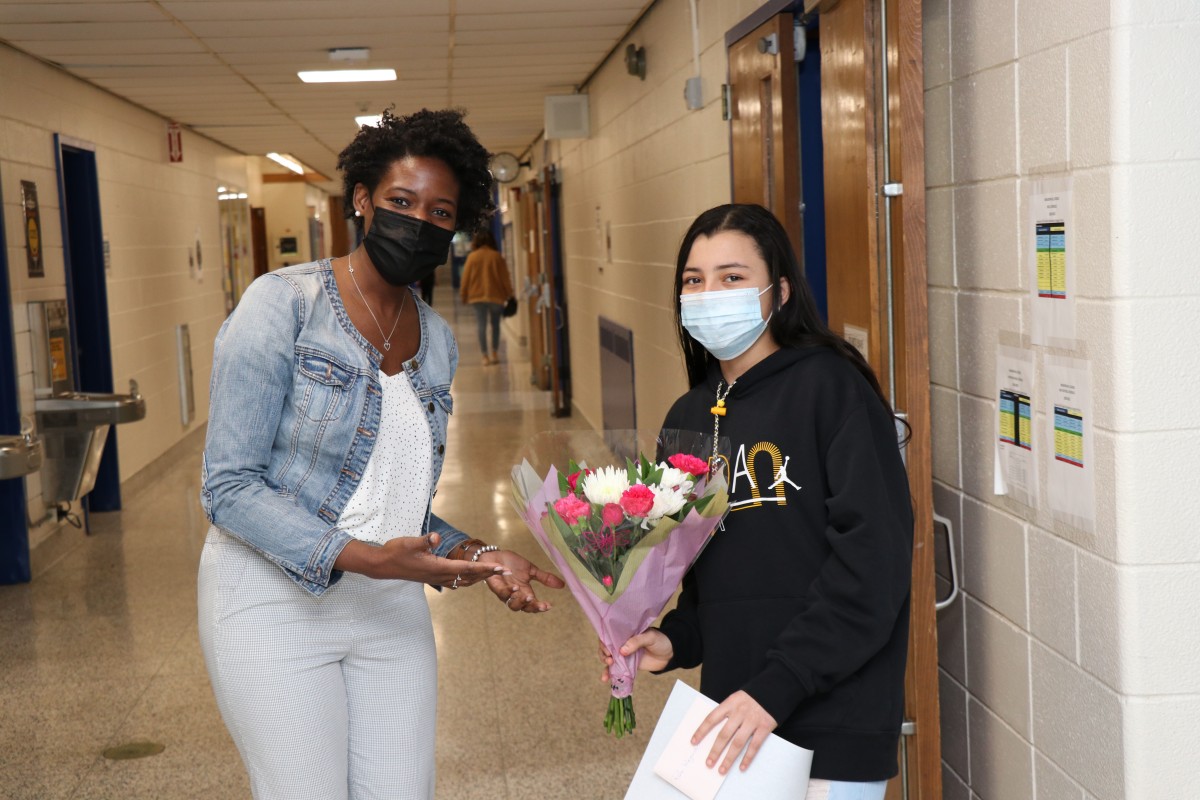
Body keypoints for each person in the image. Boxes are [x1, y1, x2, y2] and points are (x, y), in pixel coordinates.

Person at [198, 108, 564, 800]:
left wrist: (476, 554)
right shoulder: (282, 304)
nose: (418, 221)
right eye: (400, 202)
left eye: (439, 211)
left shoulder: (436, 340)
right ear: (362, 200)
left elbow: (395, 499)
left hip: (387, 608)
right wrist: (366, 558)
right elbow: (229, 488)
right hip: (270, 602)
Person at [602, 204, 913, 800]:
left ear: (781, 292)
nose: (709, 292)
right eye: (694, 280)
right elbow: (711, 576)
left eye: (732, 276)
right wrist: (677, 639)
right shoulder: (688, 418)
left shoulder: (833, 389)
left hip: (833, 712)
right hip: (736, 713)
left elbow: (873, 565)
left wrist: (782, 683)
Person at [458, 229, 514, 365]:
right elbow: (505, 278)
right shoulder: (496, 256)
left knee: (481, 325)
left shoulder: (473, 257)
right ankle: (495, 353)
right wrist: (510, 294)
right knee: (495, 325)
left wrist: (463, 295)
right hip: (496, 297)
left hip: (477, 297)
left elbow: (465, 279)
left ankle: (484, 356)